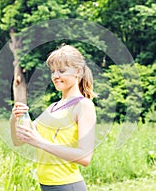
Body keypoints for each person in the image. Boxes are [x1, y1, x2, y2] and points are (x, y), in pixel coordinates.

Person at [10, 44, 96, 191]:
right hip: (46, 185)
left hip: (68, 186)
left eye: (62, 71)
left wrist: (40, 142)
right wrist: (14, 119)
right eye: (53, 71)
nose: (56, 76)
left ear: (78, 71)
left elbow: (85, 157)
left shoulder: (83, 105)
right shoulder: (53, 107)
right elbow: (18, 141)